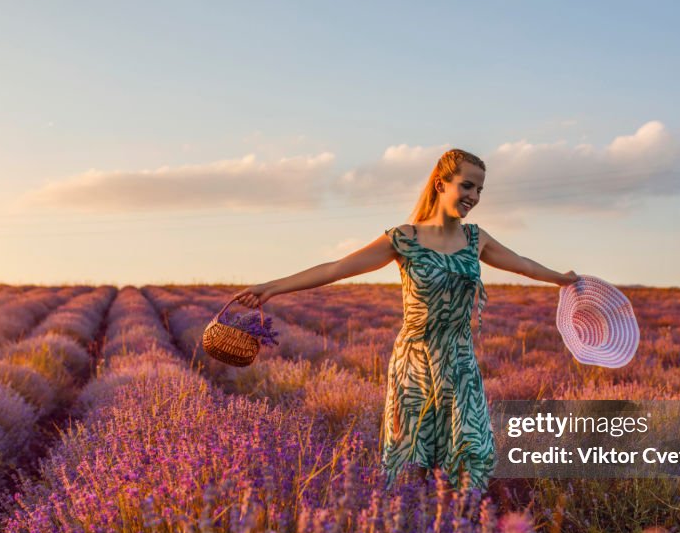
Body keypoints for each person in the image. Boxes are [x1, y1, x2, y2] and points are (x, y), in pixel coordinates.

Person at [232, 148, 579, 499]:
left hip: (459, 363)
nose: (474, 197)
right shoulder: (404, 238)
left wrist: (562, 279)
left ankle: (462, 529)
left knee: (473, 450)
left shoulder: (476, 239)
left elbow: (522, 265)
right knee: (410, 457)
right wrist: (271, 287)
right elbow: (336, 268)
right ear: (442, 184)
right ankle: (408, 530)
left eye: (480, 190)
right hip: (414, 364)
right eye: (468, 186)